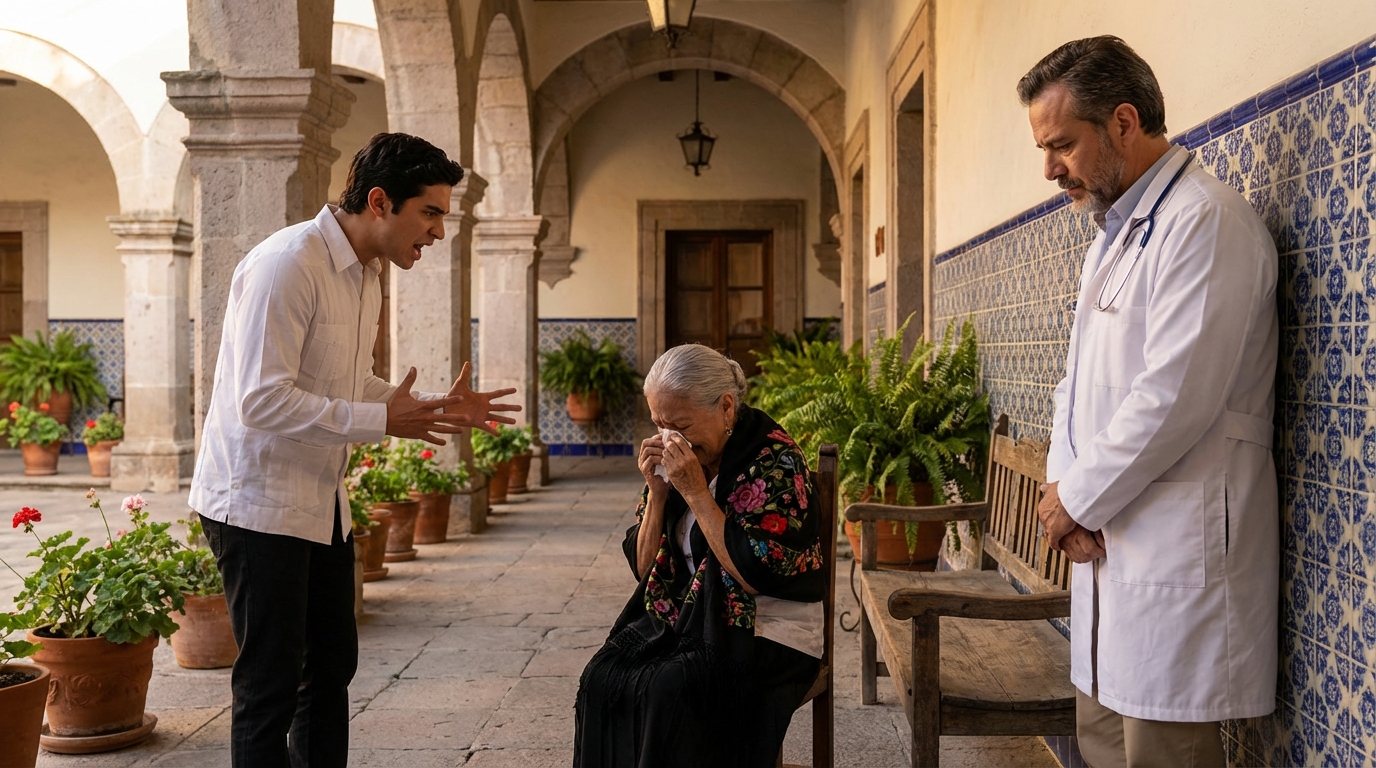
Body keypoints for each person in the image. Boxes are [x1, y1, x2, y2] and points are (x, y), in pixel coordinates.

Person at [189, 132, 521, 768]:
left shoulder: (367, 273)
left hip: (320, 504)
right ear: (379, 202)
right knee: (269, 686)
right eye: (430, 213)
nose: (438, 232)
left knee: (330, 668)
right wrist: (380, 418)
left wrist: (430, 407)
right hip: (257, 505)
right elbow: (259, 400)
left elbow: (345, 382)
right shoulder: (287, 263)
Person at [1021, 37, 1279, 768]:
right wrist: (1065, 497)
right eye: (1044, 149)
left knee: (1163, 753)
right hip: (1107, 547)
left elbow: (1175, 395)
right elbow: (1075, 385)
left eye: (1062, 145)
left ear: (1124, 123)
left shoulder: (1204, 221)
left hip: (1173, 553)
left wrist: (1076, 501)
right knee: (1104, 747)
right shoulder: (1112, 236)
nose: (1049, 169)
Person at [574, 344, 826, 767]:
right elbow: (645, 570)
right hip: (688, 616)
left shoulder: (775, 460)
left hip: (770, 624)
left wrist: (694, 491)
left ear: (726, 407)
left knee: (670, 689)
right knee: (602, 677)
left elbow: (753, 575)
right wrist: (657, 494)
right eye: (659, 423)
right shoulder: (678, 461)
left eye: (681, 424)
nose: (670, 437)